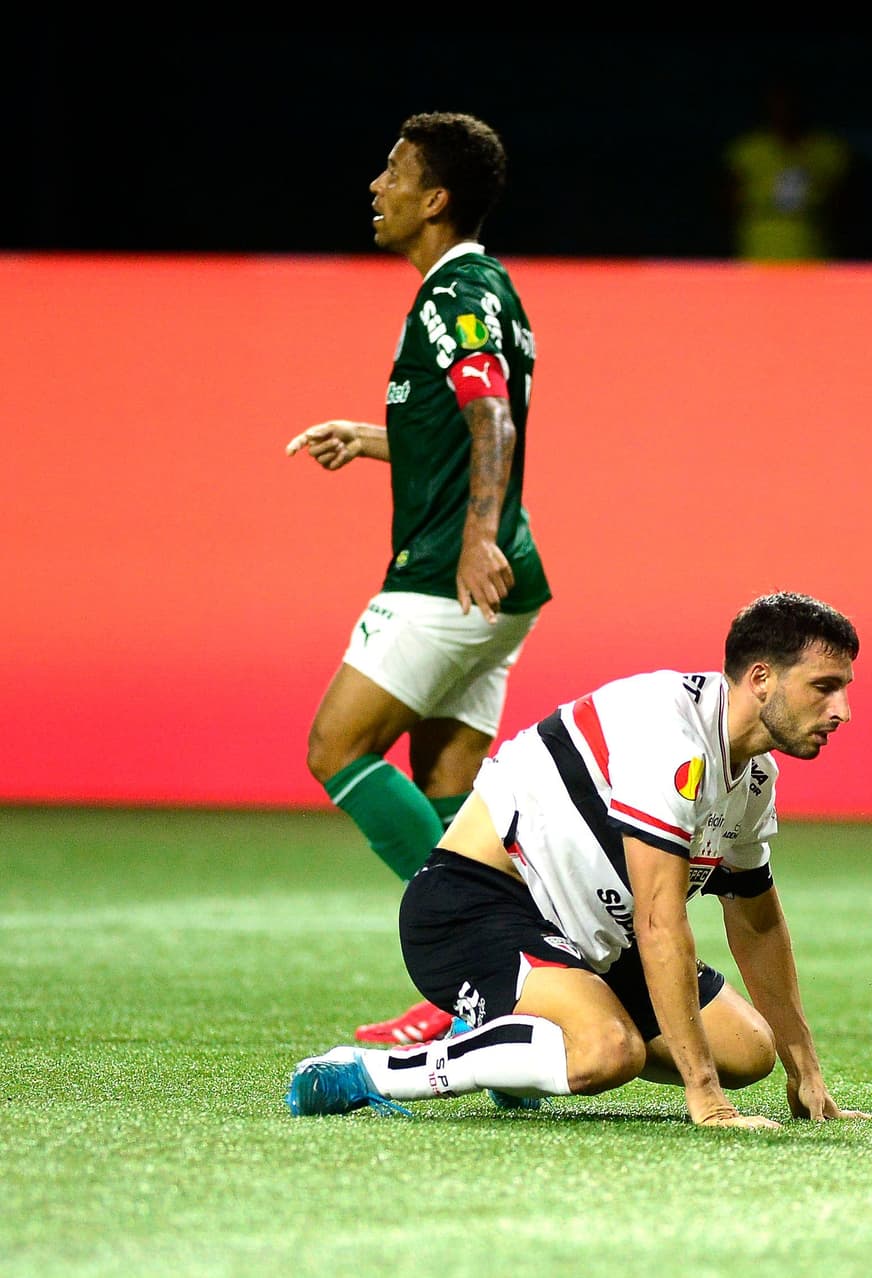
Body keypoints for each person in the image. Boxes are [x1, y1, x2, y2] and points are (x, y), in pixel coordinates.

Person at [287, 593, 871, 1129]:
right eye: (824, 687)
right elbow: (658, 922)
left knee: (749, 1052)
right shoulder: (670, 737)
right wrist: (705, 1097)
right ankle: (370, 1072)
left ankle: (522, 1042)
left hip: (587, 939)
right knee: (607, 1050)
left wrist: (806, 1072)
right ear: (761, 679)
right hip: (473, 908)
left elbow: (757, 922)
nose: (842, 710)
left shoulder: (755, 776)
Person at [286, 113, 550, 1046]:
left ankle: (484, 956)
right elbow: (457, 429)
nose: (377, 186)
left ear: (434, 200)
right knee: (448, 788)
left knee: (335, 747)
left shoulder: (454, 294)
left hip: (448, 577)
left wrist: (475, 539)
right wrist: (372, 438)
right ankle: (507, 995)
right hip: (499, 585)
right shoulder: (489, 288)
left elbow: (493, 420)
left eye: (393, 171)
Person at [725, 81, 850, 262]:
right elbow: (730, 202)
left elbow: (844, 207)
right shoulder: (748, 149)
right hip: (760, 244)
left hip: (811, 246)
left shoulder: (827, 150)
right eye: (779, 105)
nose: (785, 111)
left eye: (791, 104)